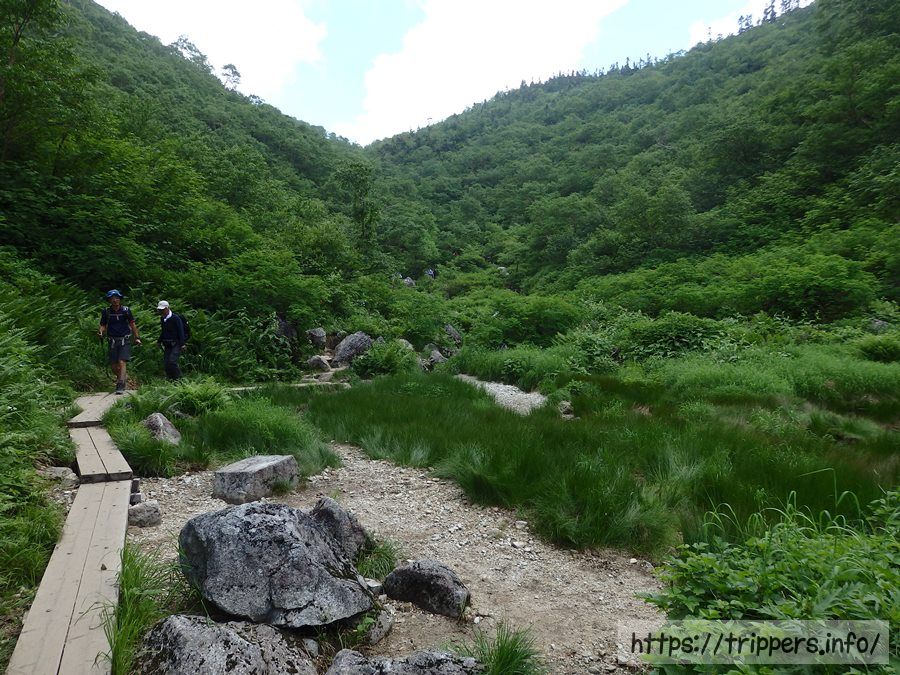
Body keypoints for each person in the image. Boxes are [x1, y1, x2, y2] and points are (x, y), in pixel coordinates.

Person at [98, 289, 141, 394]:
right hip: (112, 340)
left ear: (120, 299)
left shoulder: (126, 310)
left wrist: (137, 337)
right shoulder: (106, 312)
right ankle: (122, 377)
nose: (115, 300)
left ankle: (120, 384)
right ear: (109, 300)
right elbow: (103, 325)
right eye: (112, 298)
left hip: (124, 340)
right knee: (113, 366)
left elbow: (132, 324)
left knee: (122, 361)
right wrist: (101, 332)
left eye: (117, 298)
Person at [156, 300, 185, 380]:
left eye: (163, 310)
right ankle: (170, 379)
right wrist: (159, 341)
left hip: (176, 343)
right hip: (167, 344)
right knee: (166, 363)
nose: (161, 311)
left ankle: (179, 379)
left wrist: (182, 344)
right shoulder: (162, 319)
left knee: (172, 361)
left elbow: (181, 331)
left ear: (167, 308)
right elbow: (163, 331)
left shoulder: (176, 318)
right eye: (160, 310)